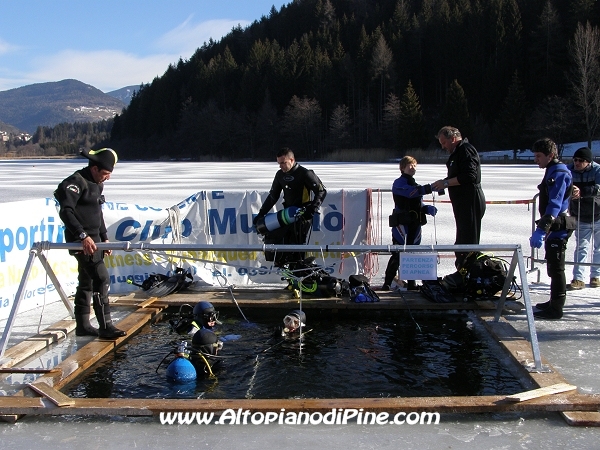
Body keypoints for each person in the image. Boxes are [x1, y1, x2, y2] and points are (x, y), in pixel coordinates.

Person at [54, 148, 126, 339]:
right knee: (101, 278)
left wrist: (104, 237)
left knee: (86, 282)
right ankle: (105, 326)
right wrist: (82, 236)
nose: (107, 178)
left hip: (94, 241)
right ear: (94, 168)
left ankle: (83, 325)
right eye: (105, 174)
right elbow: (66, 212)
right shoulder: (75, 183)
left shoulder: (96, 184)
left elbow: (97, 212)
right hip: (82, 242)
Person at [253, 148, 327, 267]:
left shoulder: (305, 174)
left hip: (303, 215)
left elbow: (322, 191)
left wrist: (312, 208)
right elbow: (273, 196)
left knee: (297, 249)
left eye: (283, 163)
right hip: (288, 214)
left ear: (292, 160)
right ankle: (291, 281)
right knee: (283, 248)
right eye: (279, 163)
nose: (281, 166)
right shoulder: (280, 175)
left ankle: (300, 281)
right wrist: (261, 214)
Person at [530, 138, 574, 320]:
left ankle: (556, 308)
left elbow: (555, 202)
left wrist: (542, 228)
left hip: (559, 225)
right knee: (552, 267)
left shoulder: (559, 172)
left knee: (557, 269)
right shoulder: (553, 169)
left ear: (551, 155)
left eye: (539, 156)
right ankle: (553, 301)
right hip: (554, 226)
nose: (536, 160)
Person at [431, 126, 486, 266]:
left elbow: (470, 176)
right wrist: (443, 183)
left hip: (470, 201)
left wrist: (446, 183)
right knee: (462, 239)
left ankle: (469, 273)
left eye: (444, 143)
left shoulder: (466, 150)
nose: (443, 147)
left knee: (468, 242)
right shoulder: (457, 152)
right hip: (462, 203)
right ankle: (463, 272)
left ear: (453, 139)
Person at [382, 156, 437, 291]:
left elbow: (417, 202)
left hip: (415, 223)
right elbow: (410, 194)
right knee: (398, 254)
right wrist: (431, 187)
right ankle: (387, 283)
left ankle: (412, 284)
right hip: (402, 224)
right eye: (410, 165)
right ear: (402, 168)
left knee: (412, 254)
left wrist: (426, 208)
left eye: (414, 165)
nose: (413, 168)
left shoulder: (415, 184)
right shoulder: (398, 183)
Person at [567, 146, 600, 290]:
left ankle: (595, 276)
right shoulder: (569, 170)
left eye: (581, 160)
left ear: (588, 162)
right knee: (581, 247)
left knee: (599, 248)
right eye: (575, 160)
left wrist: (582, 191)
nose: (577, 163)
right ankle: (578, 278)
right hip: (580, 215)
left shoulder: (597, 170)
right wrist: (571, 189)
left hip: (598, 215)